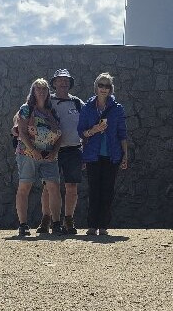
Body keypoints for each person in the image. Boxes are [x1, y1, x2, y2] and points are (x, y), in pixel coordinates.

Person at [77, 72, 128, 236]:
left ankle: (103, 226)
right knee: (94, 190)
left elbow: (122, 133)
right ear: (96, 87)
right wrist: (94, 130)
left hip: (112, 155)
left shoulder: (117, 109)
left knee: (107, 190)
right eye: (101, 85)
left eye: (107, 86)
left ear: (111, 89)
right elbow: (81, 132)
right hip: (93, 155)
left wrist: (125, 155)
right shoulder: (87, 108)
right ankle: (92, 225)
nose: (104, 88)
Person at [14, 79, 62, 237]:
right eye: (38, 89)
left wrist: (55, 151)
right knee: (24, 186)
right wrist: (33, 149)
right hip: (28, 154)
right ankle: (23, 224)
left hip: (48, 154)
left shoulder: (52, 111)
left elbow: (60, 134)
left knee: (53, 186)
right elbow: (21, 131)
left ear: (48, 92)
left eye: (44, 89)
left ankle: (56, 223)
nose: (41, 92)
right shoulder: (26, 109)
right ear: (33, 91)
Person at [48, 69, 84, 234]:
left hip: (74, 150)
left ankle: (68, 219)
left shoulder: (77, 103)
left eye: (66, 80)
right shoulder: (47, 101)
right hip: (52, 151)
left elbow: (88, 121)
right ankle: (47, 219)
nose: (63, 83)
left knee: (72, 186)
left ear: (70, 83)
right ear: (54, 83)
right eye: (60, 80)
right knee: (49, 187)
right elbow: (27, 111)